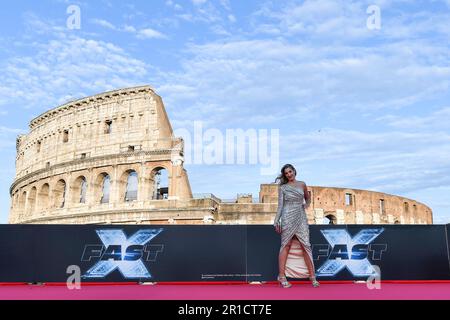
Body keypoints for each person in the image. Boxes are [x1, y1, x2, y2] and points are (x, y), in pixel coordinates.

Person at [273, 164, 319, 288]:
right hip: (287, 216)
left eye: (290, 171)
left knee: (306, 245)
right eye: (286, 173)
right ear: (285, 175)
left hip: (301, 217)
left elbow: (308, 199)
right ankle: (282, 276)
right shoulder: (283, 187)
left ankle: (312, 276)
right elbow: (280, 205)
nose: (289, 174)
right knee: (285, 245)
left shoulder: (302, 184)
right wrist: (276, 220)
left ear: (294, 171)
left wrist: (306, 205)